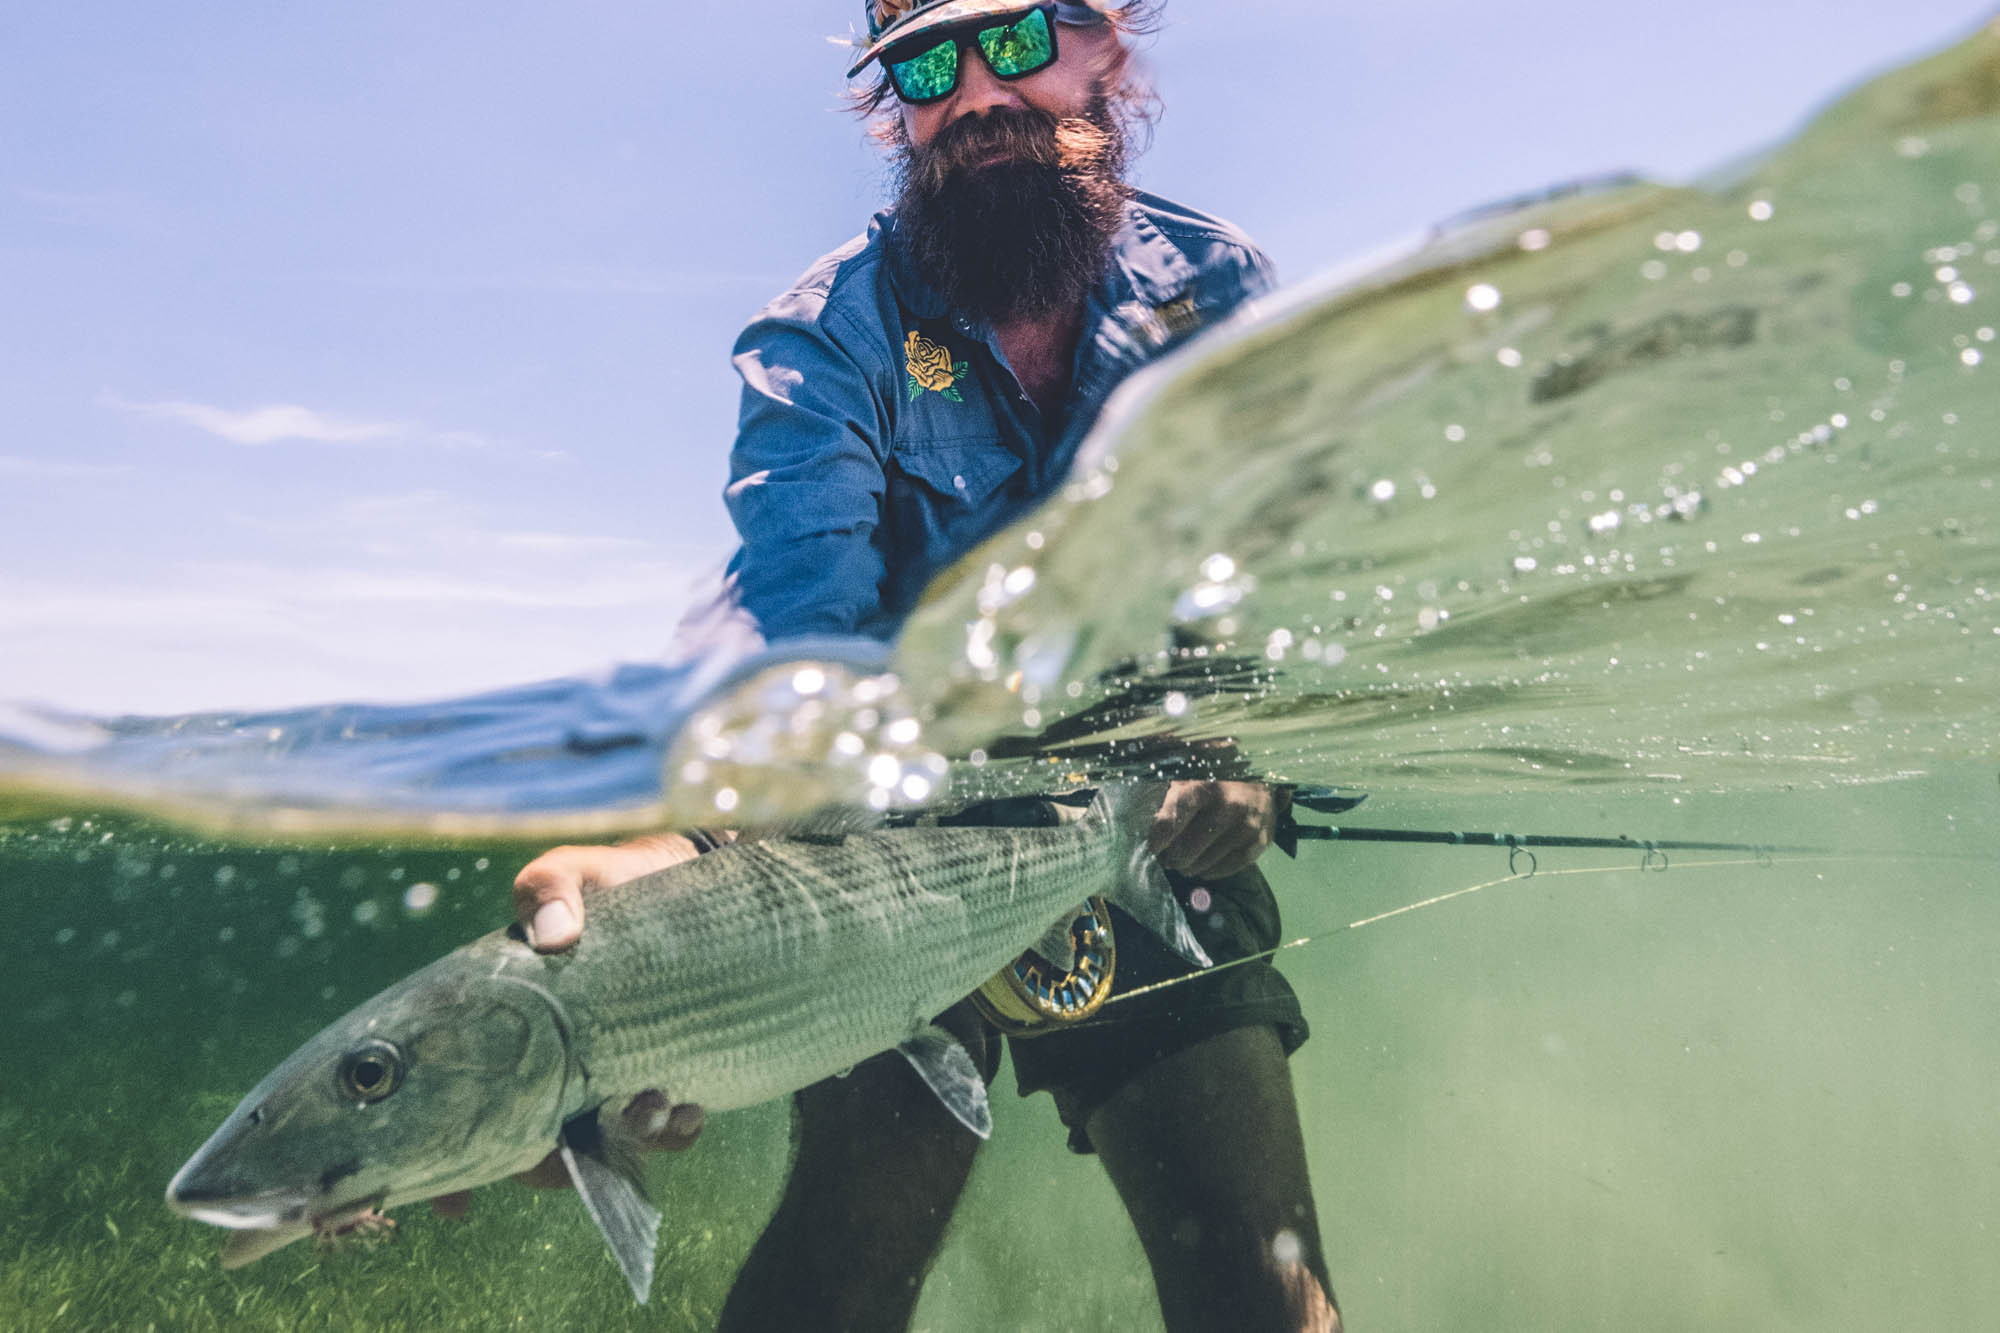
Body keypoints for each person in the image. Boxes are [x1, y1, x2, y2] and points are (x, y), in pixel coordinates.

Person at [437, 3, 1339, 1328]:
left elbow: (1268, 588)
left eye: (1017, 40)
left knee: (1266, 1296)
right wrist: (656, 881)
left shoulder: (1218, 289)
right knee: (848, 1248)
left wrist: (1233, 762)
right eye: (926, 64)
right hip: (892, 838)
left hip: (1142, 793)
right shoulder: (823, 339)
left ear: (1105, 52)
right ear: (894, 111)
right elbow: (801, 653)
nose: (973, 90)